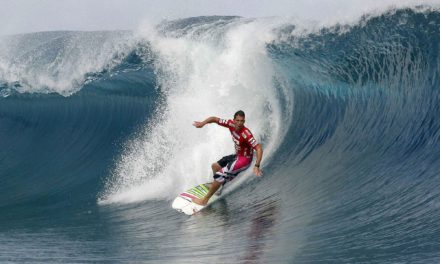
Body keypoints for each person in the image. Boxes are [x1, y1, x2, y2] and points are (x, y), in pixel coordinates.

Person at [192, 110, 263, 206]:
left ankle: (204, 200)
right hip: (237, 156)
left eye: (242, 121)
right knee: (215, 166)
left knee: (220, 175)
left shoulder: (246, 134)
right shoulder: (230, 124)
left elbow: (258, 148)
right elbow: (214, 119)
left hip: (244, 160)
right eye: (237, 120)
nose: (239, 123)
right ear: (233, 120)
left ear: (244, 121)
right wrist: (203, 123)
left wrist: (257, 165)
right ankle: (218, 188)